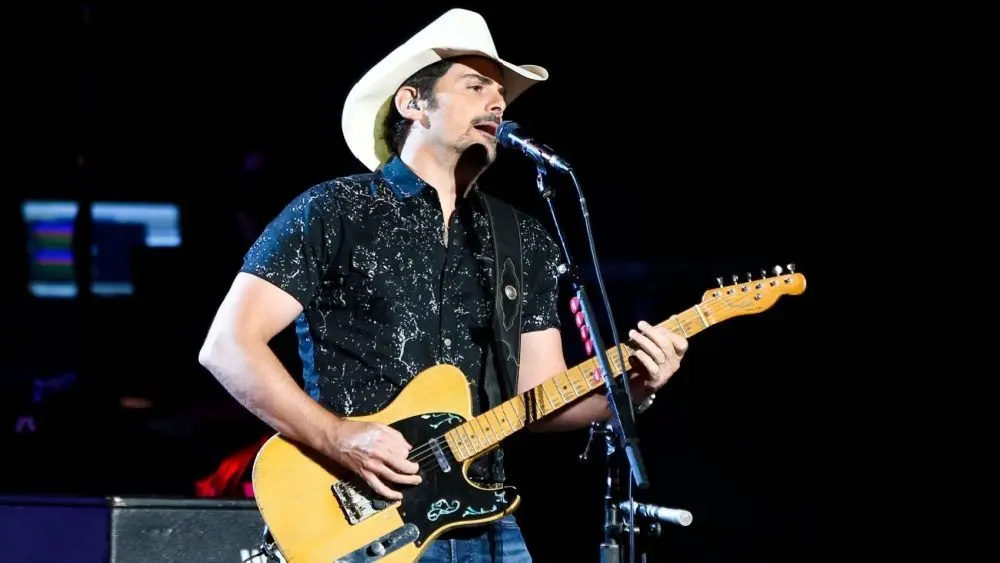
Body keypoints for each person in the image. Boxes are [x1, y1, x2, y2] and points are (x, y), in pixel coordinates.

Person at [197, 8, 688, 562]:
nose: (497, 103)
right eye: (476, 86)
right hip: (360, 518)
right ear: (413, 104)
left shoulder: (521, 239)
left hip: (482, 525)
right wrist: (339, 437)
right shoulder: (334, 210)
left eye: (501, 94)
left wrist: (637, 389)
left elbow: (540, 400)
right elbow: (228, 347)